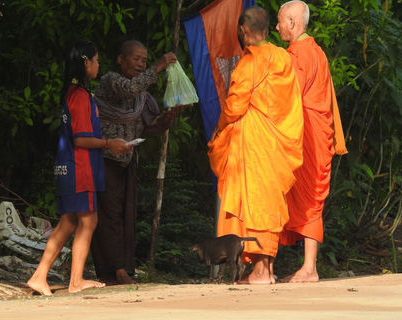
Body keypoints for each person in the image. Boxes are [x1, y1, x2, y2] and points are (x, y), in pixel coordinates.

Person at [27, 39, 132, 295]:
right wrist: (110, 143)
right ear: (86, 62)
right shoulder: (81, 95)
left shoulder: (74, 93)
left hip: (70, 167)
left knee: (69, 223)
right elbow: (81, 138)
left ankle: (40, 277)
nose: (98, 65)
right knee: (89, 221)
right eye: (96, 60)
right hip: (79, 168)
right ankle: (75, 281)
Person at [208, 6, 304, 285]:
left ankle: (261, 270)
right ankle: (267, 269)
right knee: (269, 202)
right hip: (276, 142)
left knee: (256, 204)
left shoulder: (250, 63)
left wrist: (219, 127)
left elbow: (236, 105)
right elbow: (290, 103)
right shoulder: (283, 58)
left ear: (244, 31)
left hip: (254, 142)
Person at [90, 40, 187, 285]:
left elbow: (152, 127)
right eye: (136, 59)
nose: (141, 64)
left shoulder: (141, 98)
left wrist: (171, 115)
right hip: (104, 158)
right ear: (121, 59)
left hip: (127, 161)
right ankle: (114, 271)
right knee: (109, 215)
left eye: (144, 60)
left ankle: (121, 270)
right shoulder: (111, 81)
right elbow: (130, 88)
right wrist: (158, 66)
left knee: (127, 216)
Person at [276, 0, 348, 282]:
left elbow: (287, 100)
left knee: (307, 198)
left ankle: (308, 268)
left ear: (293, 23)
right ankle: (307, 267)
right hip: (318, 134)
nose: (278, 27)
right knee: (310, 199)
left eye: (280, 21)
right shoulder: (317, 52)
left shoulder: (297, 55)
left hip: (305, 135)